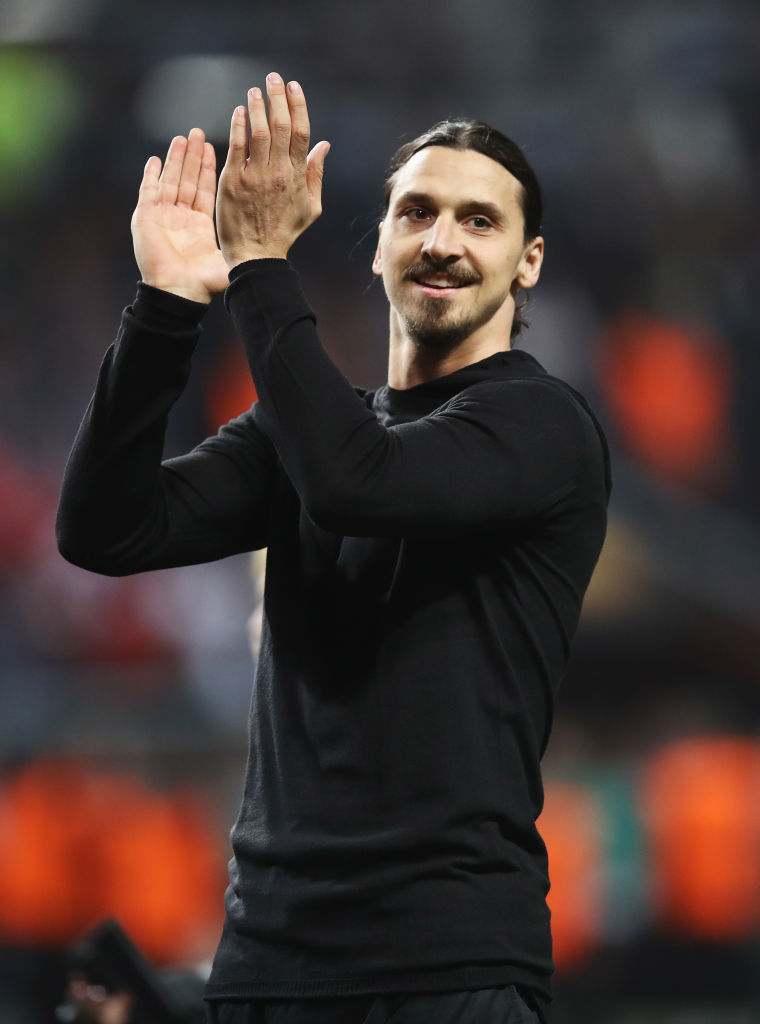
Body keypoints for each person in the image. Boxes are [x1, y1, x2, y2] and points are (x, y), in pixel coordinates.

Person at [57, 73, 611, 1024]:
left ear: (529, 263)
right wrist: (164, 309)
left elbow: (358, 485)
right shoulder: (311, 430)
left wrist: (259, 264)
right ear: (379, 243)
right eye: (417, 212)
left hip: (447, 969)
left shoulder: (543, 425)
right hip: (270, 964)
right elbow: (106, 528)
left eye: (479, 221)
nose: (442, 241)